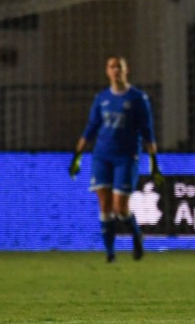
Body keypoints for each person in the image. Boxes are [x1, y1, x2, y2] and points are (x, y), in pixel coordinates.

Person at [70, 55, 163, 262]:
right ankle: (110, 253)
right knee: (104, 205)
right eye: (112, 67)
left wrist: (154, 163)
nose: (115, 71)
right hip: (102, 156)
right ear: (107, 71)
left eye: (119, 67)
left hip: (126, 157)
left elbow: (148, 132)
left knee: (120, 208)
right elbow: (91, 128)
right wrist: (76, 157)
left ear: (126, 70)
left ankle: (136, 235)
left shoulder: (138, 99)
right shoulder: (102, 99)